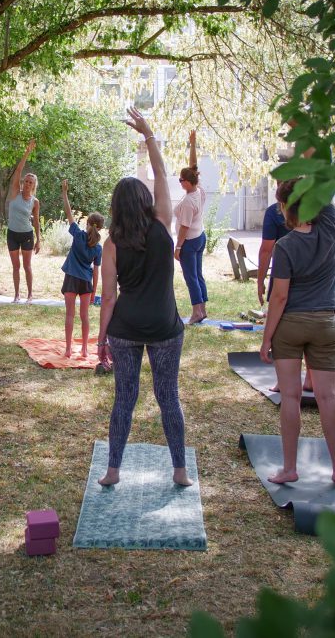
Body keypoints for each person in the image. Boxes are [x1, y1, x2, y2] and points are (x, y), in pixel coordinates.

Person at [97, 107, 191, 488]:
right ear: (146, 203)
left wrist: (101, 339)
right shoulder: (162, 224)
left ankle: (112, 471)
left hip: (126, 328)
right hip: (166, 327)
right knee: (169, 397)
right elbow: (163, 176)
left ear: (117, 209)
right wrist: (149, 134)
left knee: (125, 399)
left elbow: (107, 299)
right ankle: (180, 472)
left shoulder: (111, 245)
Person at [259, 178, 335, 486]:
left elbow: (279, 297)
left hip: (291, 327)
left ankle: (289, 469)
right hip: (325, 324)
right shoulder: (329, 231)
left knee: (290, 397)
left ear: (285, 208)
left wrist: (266, 338)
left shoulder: (285, 247)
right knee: (327, 396)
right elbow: (324, 190)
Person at [258, 187, 314, 393]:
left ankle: (285, 380)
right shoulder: (318, 217)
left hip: (286, 276)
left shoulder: (275, 212)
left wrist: (260, 280)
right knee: (310, 328)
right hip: (312, 280)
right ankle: (308, 378)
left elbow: (266, 248)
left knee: (283, 325)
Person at [59, 180, 104, 358]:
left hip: (71, 279)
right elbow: (96, 271)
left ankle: (69, 349)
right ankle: (85, 349)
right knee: (84, 316)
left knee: (70, 315)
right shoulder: (98, 248)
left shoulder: (77, 235)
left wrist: (64, 193)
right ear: (100, 227)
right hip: (86, 282)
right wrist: (93, 290)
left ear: (87, 223)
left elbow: (69, 214)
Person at [174, 129, 208, 324]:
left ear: (188, 181)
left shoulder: (188, 203)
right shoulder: (199, 189)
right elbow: (193, 166)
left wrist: (178, 247)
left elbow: (184, 228)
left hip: (189, 241)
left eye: (181, 180)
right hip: (200, 237)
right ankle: (202, 309)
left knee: (191, 277)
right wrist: (192, 144)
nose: (179, 182)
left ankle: (196, 311)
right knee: (198, 275)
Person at [5, 139, 41, 303]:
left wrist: (39, 240)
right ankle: (17, 295)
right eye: (26, 181)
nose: (27, 183)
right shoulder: (15, 193)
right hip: (12, 234)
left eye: (30, 182)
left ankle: (30, 295)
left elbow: (36, 222)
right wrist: (27, 152)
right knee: (16, 267)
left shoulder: (35, 202)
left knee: (27, 266)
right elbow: (18, 170)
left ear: (33, 186)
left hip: (27, 234)